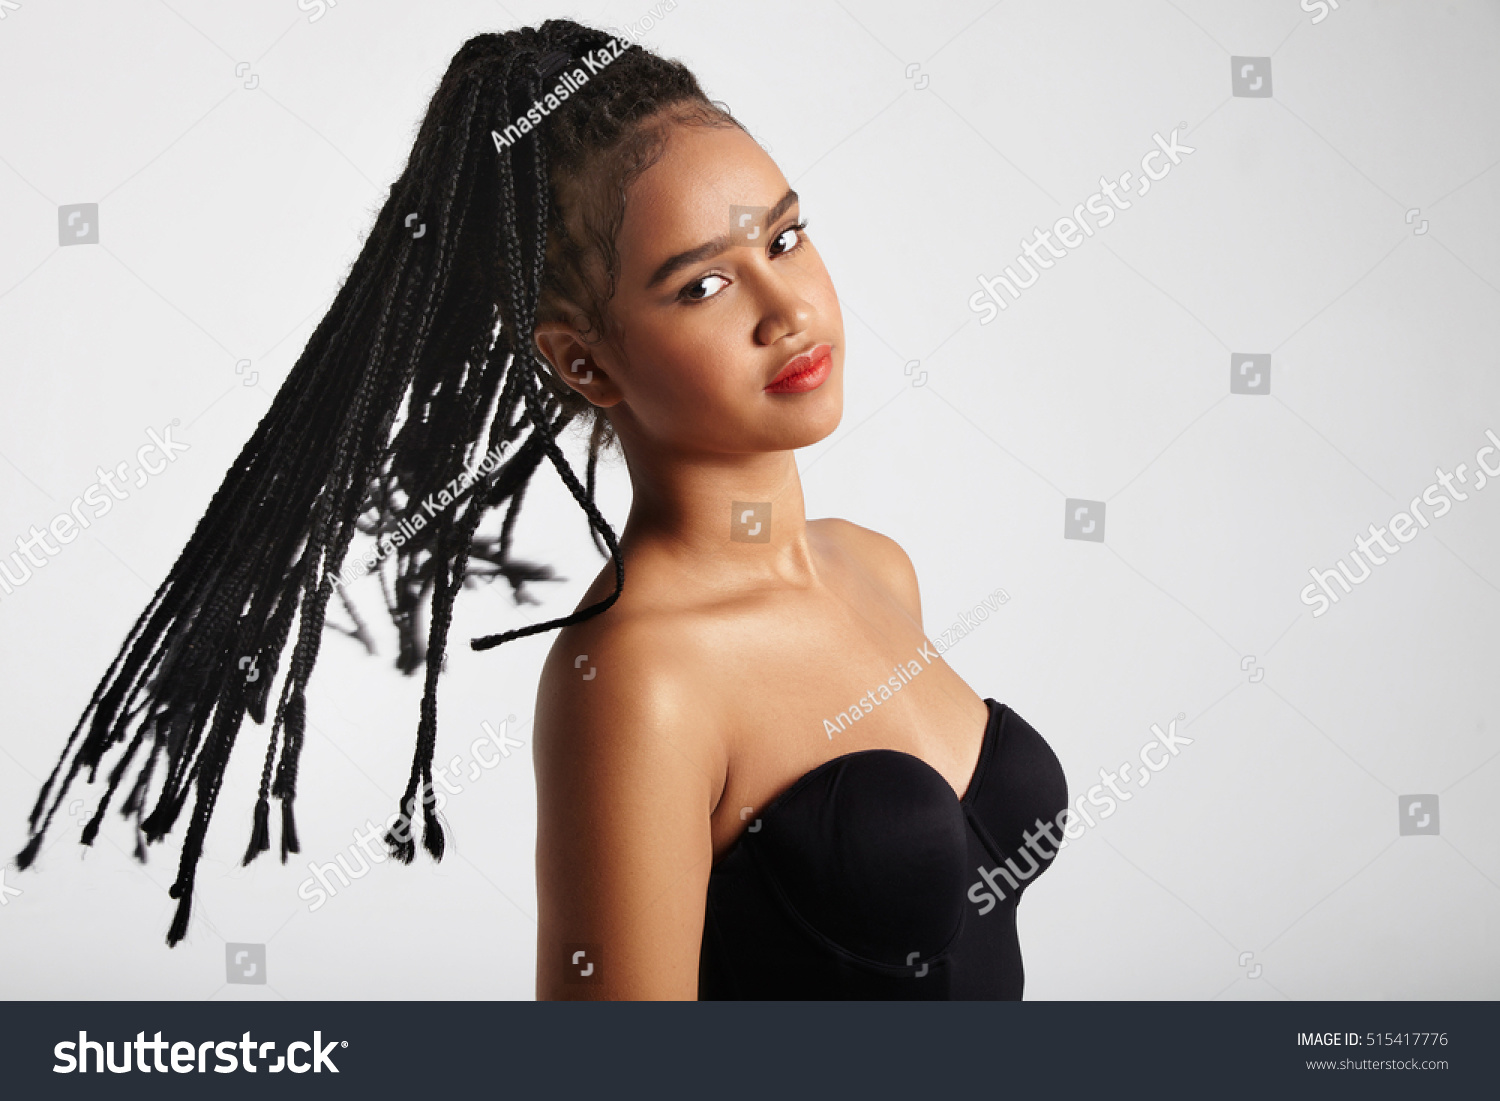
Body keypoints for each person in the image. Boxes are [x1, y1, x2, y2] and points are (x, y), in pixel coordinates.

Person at [15, 19, 1067, 1000]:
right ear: (582, 360)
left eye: (786, 241)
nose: (788, 310)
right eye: (703, 286)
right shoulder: (639, 678)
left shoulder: (876, 570)